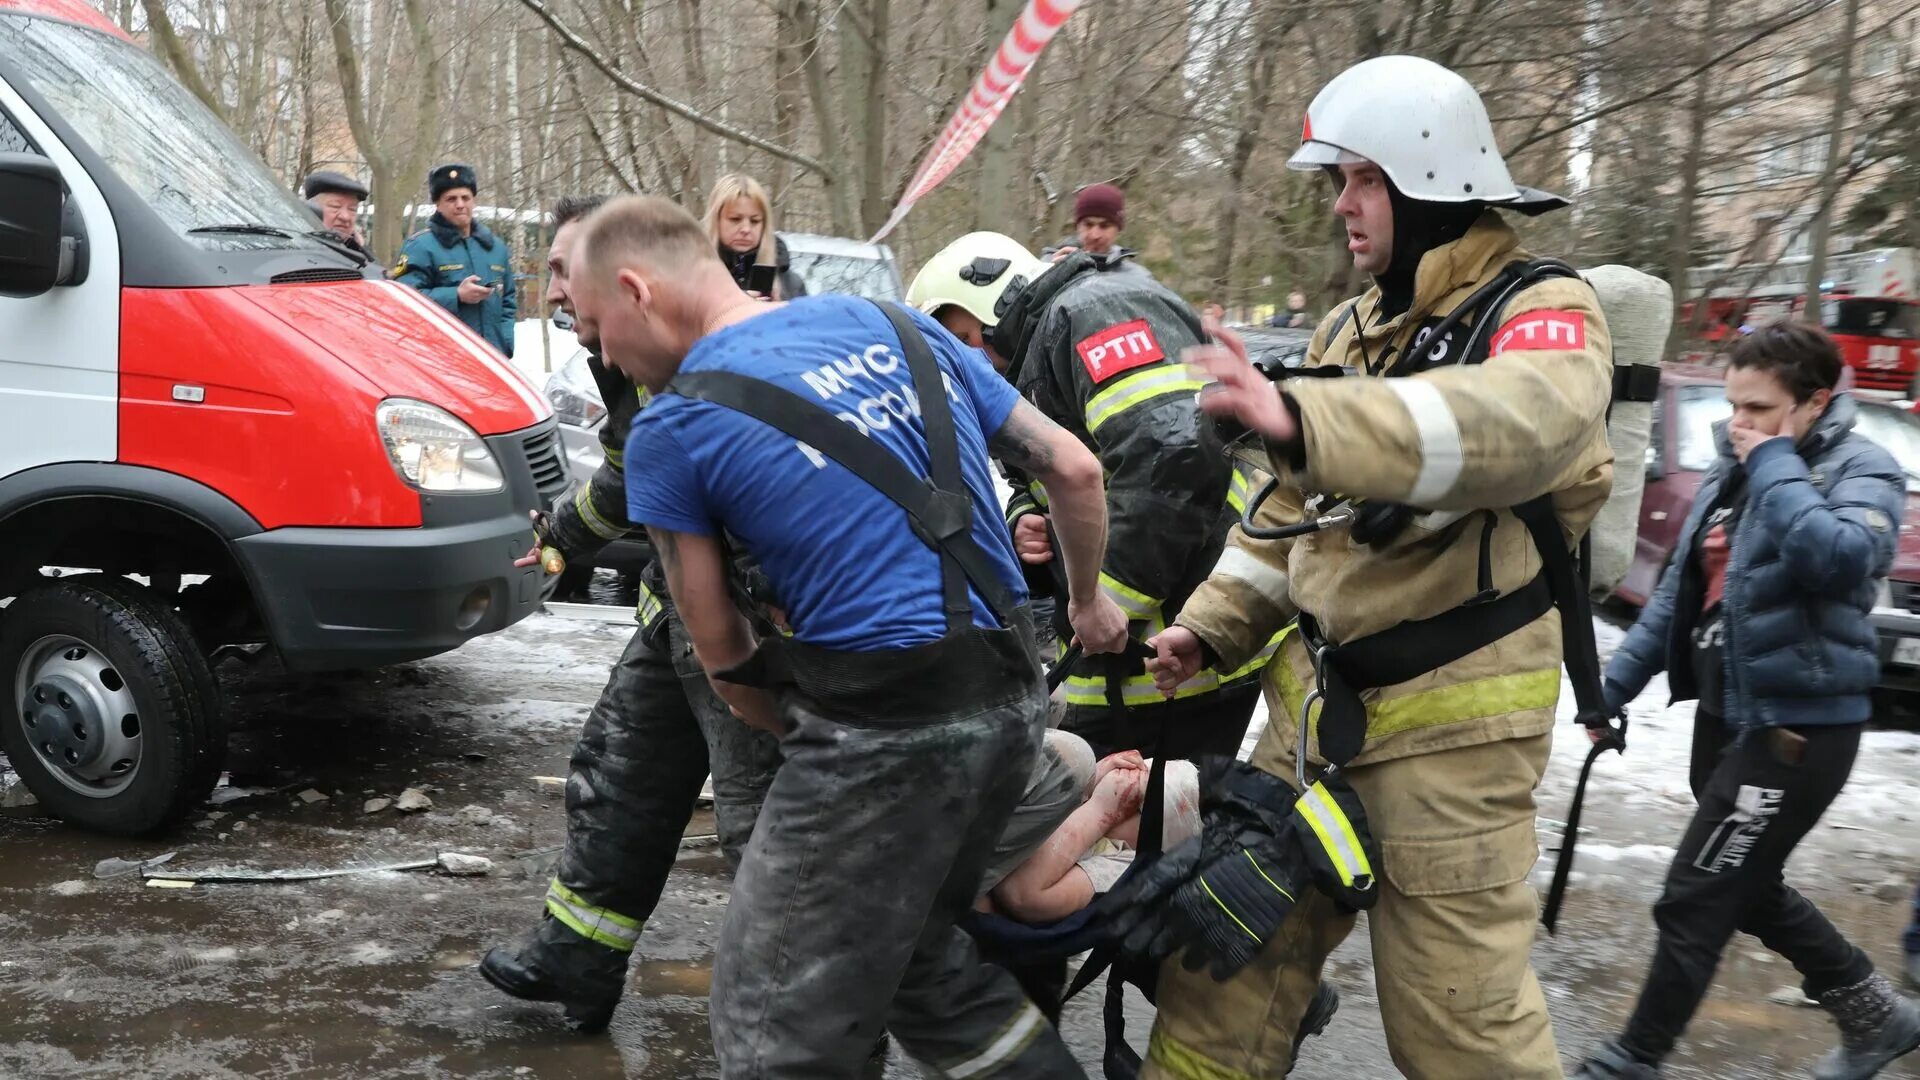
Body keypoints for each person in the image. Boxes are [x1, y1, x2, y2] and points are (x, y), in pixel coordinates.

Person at [571, 194, 1130, 1078]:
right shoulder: (899, 324)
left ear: (637, 291)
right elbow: (1075, 467)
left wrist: (826, 755)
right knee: (913, 957)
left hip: (879, 732)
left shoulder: (672, 429)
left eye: (597, 326)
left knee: (765, 1020)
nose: (603, 353)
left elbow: (724, 659)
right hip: (1013, 695)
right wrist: (1088, 600)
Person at [1131, 54, 1612, 1079]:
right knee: (1219, 972)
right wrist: (1208, 625)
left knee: (1459, 1033)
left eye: (1361, 181)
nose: (1343, 206)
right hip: (1309, 728)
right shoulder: (1349, 331)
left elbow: (1514, 426)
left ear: (1428, 180)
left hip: (1456, 743)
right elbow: (1286, 524)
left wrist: (1304, 414)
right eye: (1337, 183)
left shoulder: (1545, 311)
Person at [1573, 322, 1918, 1080]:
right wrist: (1611, 691)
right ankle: (1876, 1015)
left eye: (1758, 409)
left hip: (1799, 731)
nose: (1739, 425)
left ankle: (1633, 1059)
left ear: (1815, 402)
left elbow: (1839, 561)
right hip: (1726, 718)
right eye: (1733, 407)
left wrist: (1776, 463)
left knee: (1696, 895)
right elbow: (1676, 599)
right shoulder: (1732, 475)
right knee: (1743, 881)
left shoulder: (1865, 469)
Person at [478, 194, 782, 1033]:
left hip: (746, 631)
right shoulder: (614, 354)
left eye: (564, 272)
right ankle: (577, 957)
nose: (555, 293)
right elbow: (628, 468)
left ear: (625, 279)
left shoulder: (708, 352)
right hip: (671, 616)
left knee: (765, 828)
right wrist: (562, 537)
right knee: (618, 777)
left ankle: (806, 1022)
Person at [907, 232, 1274, 763]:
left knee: (1153, 820)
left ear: (994, 303)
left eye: (964, 337)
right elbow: (1038, 480)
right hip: (1126, 650)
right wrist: (1027, 521)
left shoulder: (1093, 313)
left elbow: (1173, 458)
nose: (970, 362)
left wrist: (1108, 599)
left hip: (1179, 641)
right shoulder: (1033, 358)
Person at [988, 737, 1200, 925]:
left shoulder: (1123, 866)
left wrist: (1100, 809)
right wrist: (1088, 781)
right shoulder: (1102, 815)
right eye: (1119, 778)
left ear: (1156, 836)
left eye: (1131, 801)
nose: (1114, 793)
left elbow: (1022, 896)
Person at [395, 164, 517, 355]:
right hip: (445, 361)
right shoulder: (420, 246)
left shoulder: (495, 248)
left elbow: (508, 300)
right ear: (438, 204)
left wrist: (505, 343)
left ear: (473, 201)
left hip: (493, 359)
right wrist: (456, 295)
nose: (460, 204)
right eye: (451, 199)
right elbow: (403, 302)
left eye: (465, 197)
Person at [703, 173, 805, 300]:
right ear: (716, 221)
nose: (746, 229)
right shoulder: (690, 277)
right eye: (735, 219)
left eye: (755, 221)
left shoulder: (790, 284)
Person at [302, 170, 369, 255]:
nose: (345, 217)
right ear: (311, 209)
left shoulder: (361, 255)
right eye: (335, 206)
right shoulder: (291, 247)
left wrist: (360, 249)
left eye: (352, 209)